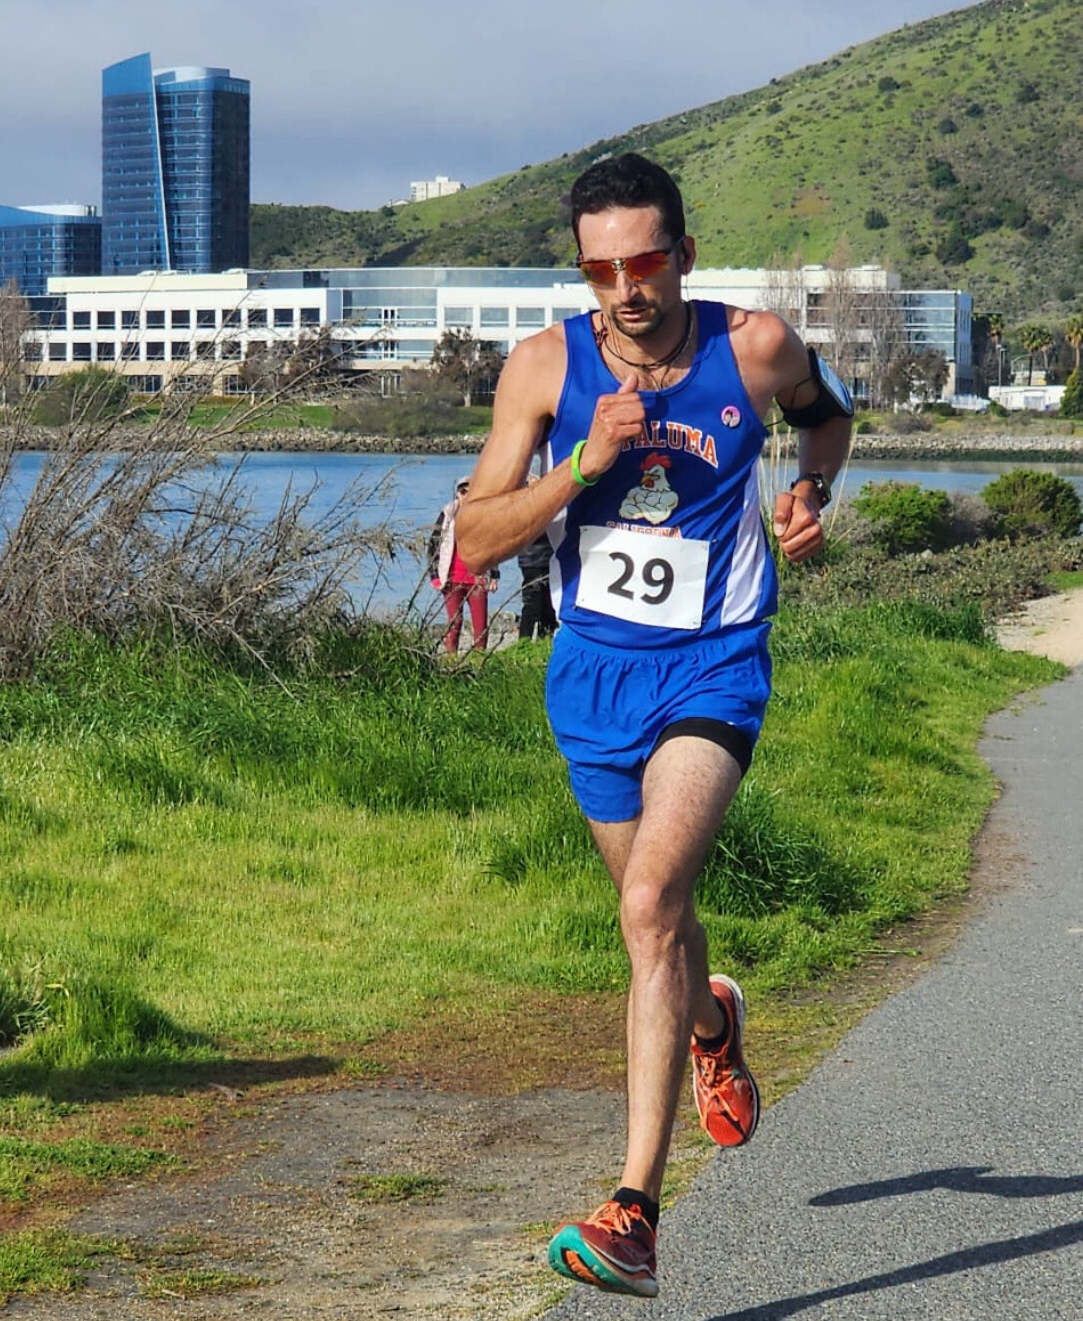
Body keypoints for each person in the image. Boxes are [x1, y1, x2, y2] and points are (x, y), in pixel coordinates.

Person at [454, 152, 852, 1298]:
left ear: (683, 252)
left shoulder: (754, 347)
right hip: (592, 680)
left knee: (647, 906)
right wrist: (584, 462)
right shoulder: (544, 368)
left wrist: (810, 494)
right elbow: (475, 540)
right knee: (662, 928)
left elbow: (827, 419)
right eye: (602, 270)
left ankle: (633, 1212)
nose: (627, 288)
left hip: (713, 668)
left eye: (645, 262)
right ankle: (711, 1022)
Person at [427, 476, 499, 652]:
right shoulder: (448, 514)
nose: (466, 495)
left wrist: (494, 576)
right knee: (455, 623)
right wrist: (434, 576)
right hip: (451, 579)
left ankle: (479, 660)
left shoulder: (484, 515)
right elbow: (433, 546)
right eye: (462, 491)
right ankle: (451, 661)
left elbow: (493, 547)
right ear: (457, 494)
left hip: (477, 579)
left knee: (480, 626)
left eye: (470, 491)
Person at [515, 476, 558, 641]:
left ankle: (545, 638)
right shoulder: (524, 508)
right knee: (532, 603)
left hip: (549, 558)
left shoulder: (550, 505)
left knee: (549, 603)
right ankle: (524, 641)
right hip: (531, 560)